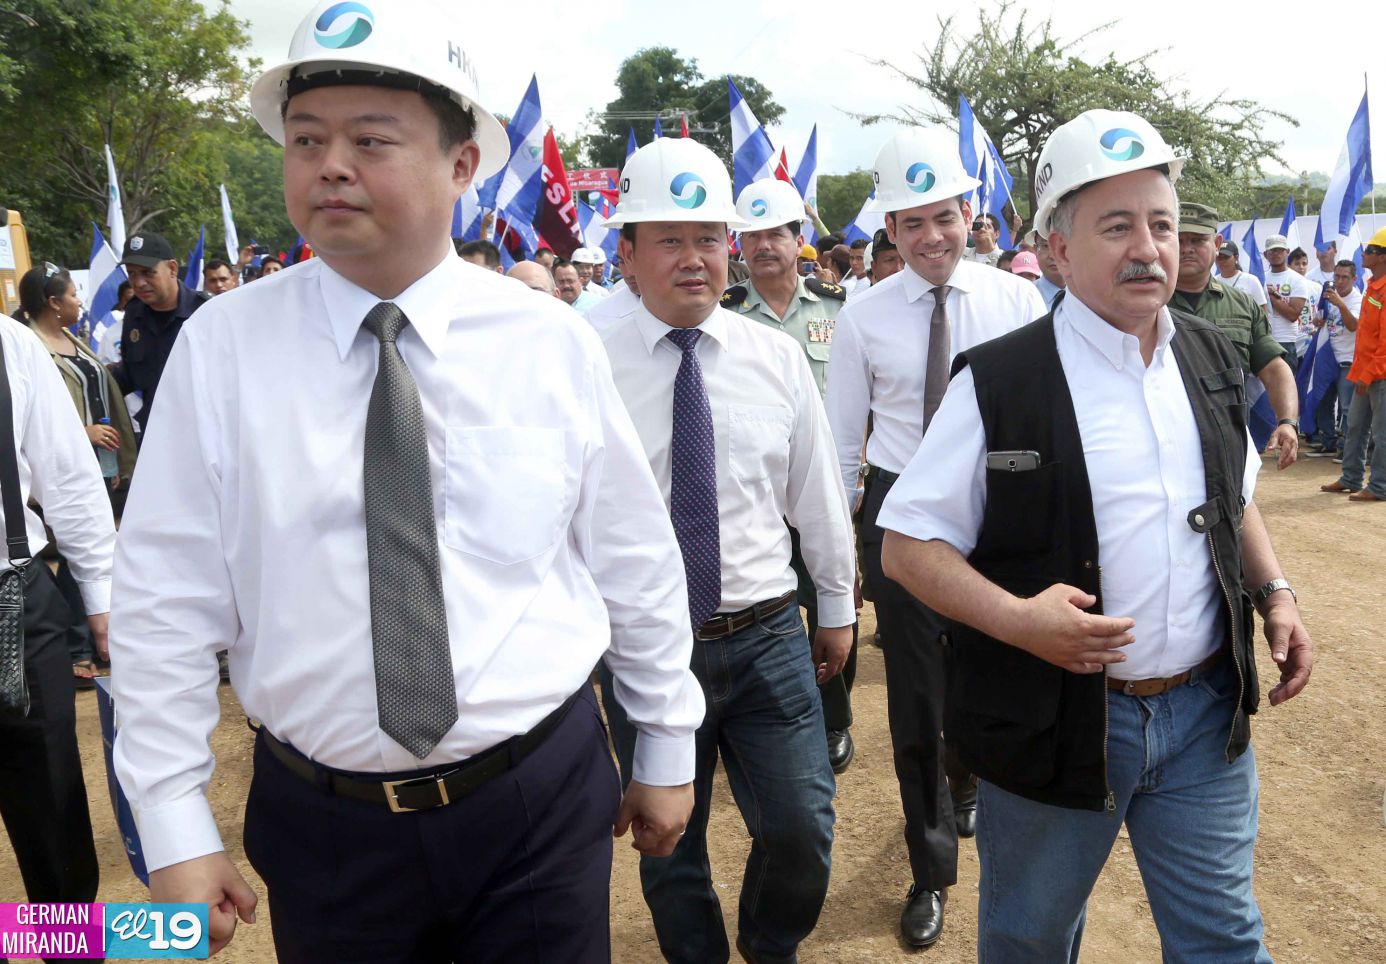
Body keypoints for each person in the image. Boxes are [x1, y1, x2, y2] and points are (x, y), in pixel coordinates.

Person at [109, 3, 704, 959]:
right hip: (324, 823)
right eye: (307, 140)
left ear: (462, 164)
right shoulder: (222, 349)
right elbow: (166, 598)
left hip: (535, 805)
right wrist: (175, 822)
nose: (330, 164)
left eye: (369, 139)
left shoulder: (548, 343)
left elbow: (630, 555)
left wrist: (667, 741)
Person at [876, 107, 1312, 962]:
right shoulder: (1001, 383)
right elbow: (906, 548)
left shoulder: (1212, 358)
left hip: (1201, 714)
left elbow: (1236, 497)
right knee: (1029, 939)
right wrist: (1020, 622)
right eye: (1115, 227)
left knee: (1224, 938)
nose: (1146, 247)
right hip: (1059, 719)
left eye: (1159, 223)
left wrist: (1276, 594)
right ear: (1062, 250)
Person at [597, 136, 854, 964]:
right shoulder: (582, 364)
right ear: (627, 254)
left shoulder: (774, 358)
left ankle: (768, 945)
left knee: (803, 827)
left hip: (769, 634)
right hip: (645, 649)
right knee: (668, 841)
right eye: (668, 240)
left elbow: (814, 495)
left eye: (709, 238)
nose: (694, 259)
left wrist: (840, 605)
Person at [824, 127, 1047, 948]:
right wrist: (840, 554)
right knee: (917, 700)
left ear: (970, 213)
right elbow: (844, 444)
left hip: (1001, 511)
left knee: (1004, 680)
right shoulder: (863, 316)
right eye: (911, 224)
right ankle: (932, 868)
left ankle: (975, 784)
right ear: (888, 232)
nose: (932, 238)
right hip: (903, 513)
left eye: (945, 217)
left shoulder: (1017, 301)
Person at [723, 177, 859, 772]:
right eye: (750, 236)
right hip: (757, 497)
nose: (763, 246)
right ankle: (784, 715)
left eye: (775, 233)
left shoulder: (837, 309)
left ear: (798, 240)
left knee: (835, 600)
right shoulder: (725, 316)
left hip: (828, 490)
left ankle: (834, 716)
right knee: (776, 610)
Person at [0, 280, 115, 928]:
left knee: (50, 807)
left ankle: (67, 940)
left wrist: (101, 597)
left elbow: (67, 474)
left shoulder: (10, 347)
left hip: (11, 598)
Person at [17, 263, 134, 693]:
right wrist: (81, 435)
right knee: (67, 560)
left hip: (91, 468)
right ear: (53, 302)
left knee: (85, 553)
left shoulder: (71, 340)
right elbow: (44, 430)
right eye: (72, 295)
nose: (79, 301)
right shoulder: (25, 344)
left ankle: (82, 640)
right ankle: (76, 647)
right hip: (50, 479)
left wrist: (115, 464)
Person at [1169, 203, 1299, 468]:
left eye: (1197, 240)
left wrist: (1287, 421)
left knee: (1237, 506)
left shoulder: (1242, 304)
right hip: (1165, 439)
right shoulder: (1142, 304)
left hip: (1229, 438)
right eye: (1179, 240)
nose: (1187, 248)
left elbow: (1274, 368)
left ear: (1217, 244)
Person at [110, 230, 211, 433]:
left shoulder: (204, 311)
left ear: (172, 268)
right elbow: (130, 374)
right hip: (154, 434)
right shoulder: (133, 314)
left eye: (148, 273)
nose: (138, 283)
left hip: (202, 431)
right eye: (132, 274)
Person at [1322, 228, 1386, 502]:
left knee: (1382, 434)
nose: (1364, 253)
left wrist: (1369, 373)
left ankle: (1380, 486)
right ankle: (1351, 477)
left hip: (1379, 375)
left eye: (1370, 250)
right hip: (1365, 372)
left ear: (1383, 257)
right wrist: (1362, 372)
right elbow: (1366, 335)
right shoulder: (1374, 286)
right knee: (1356, 426)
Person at [1309, 260, 1363, 457]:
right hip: (1328, 358)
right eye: (1337, 277)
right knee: (1323, 399)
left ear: (1354, 279)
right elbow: (1319, 320)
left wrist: (1340, 304)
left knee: (1348, 407)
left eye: (1344, 277)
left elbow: (1353, 325)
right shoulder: (1330, 296)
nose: (1339, 281)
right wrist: (1318, 320)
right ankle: (1328, 442)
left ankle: (1348, 449)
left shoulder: (1357, 300)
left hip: (1348, 360)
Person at [1262, 234, 1310, 368]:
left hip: (1285, 341)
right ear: (1266, 254)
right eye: (1272, 250)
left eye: (1280, 250)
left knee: (1286, 387)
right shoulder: (1259, 278)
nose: (1276, 254)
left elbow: (1292, 315)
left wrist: (1270, 295)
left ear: (1287, 252)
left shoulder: (1297, 279)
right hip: (1263, 340)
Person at [1215, 240, 1270, 312]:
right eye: (1219, 258)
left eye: (1226, 257)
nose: (1222, 261)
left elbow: (1262, 309)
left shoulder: (1251, 280)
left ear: (1236, 258)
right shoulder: (1213, 281)